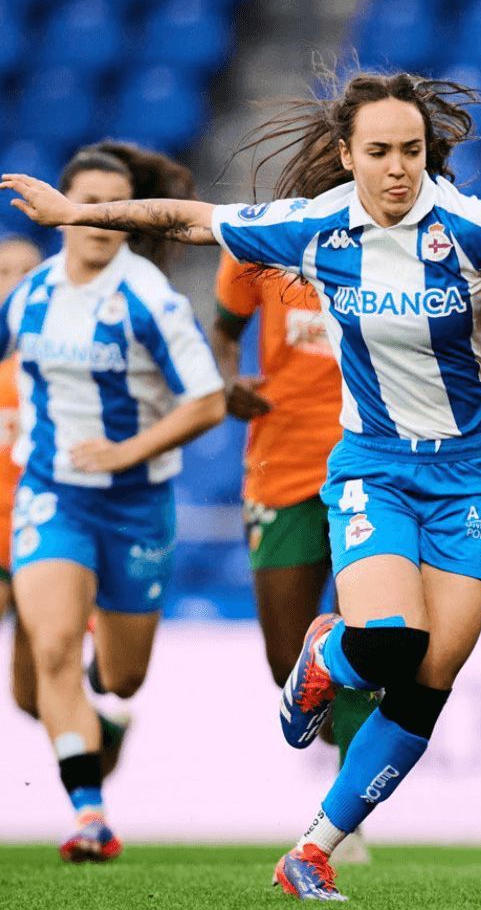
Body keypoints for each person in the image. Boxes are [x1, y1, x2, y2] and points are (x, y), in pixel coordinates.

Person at [2, 69, 481, 900]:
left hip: (473, 475)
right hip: (376, 467)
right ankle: (322, 658)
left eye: (413, 150)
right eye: (380, 152)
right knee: (389, 643)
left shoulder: (475, 227)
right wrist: (77, 214)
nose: (400, 167)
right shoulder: (314, 227)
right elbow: (191, 219)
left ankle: (315, 849)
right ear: (346, 155)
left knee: (432, 676)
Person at [0, 142, 226, 862]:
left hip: (135, 501)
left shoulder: (150, 301)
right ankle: (90, 815)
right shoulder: (29, 294)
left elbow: (210, 401)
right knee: (54, 648)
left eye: (111, 204)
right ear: (60, 211)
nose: (97, 217)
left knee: (122, 677)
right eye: (85, 201)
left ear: (126, 216)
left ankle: (106, 707)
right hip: (51, 493)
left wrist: (127, 452)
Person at [210, 252, 377, 863]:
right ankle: (347, 738)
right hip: (279, 465)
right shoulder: (259, 249)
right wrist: (228, 380)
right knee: (290, 664)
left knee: (367, 638)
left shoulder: (395, 249)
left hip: (371, 466)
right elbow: (225, 330)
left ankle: (346, 812)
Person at [0, 237, 41, 719]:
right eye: (6, 272)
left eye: (28, 272)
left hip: (40, 534)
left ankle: (101, 733)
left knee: (30, 696)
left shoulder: (67, 361)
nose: (17, 283)